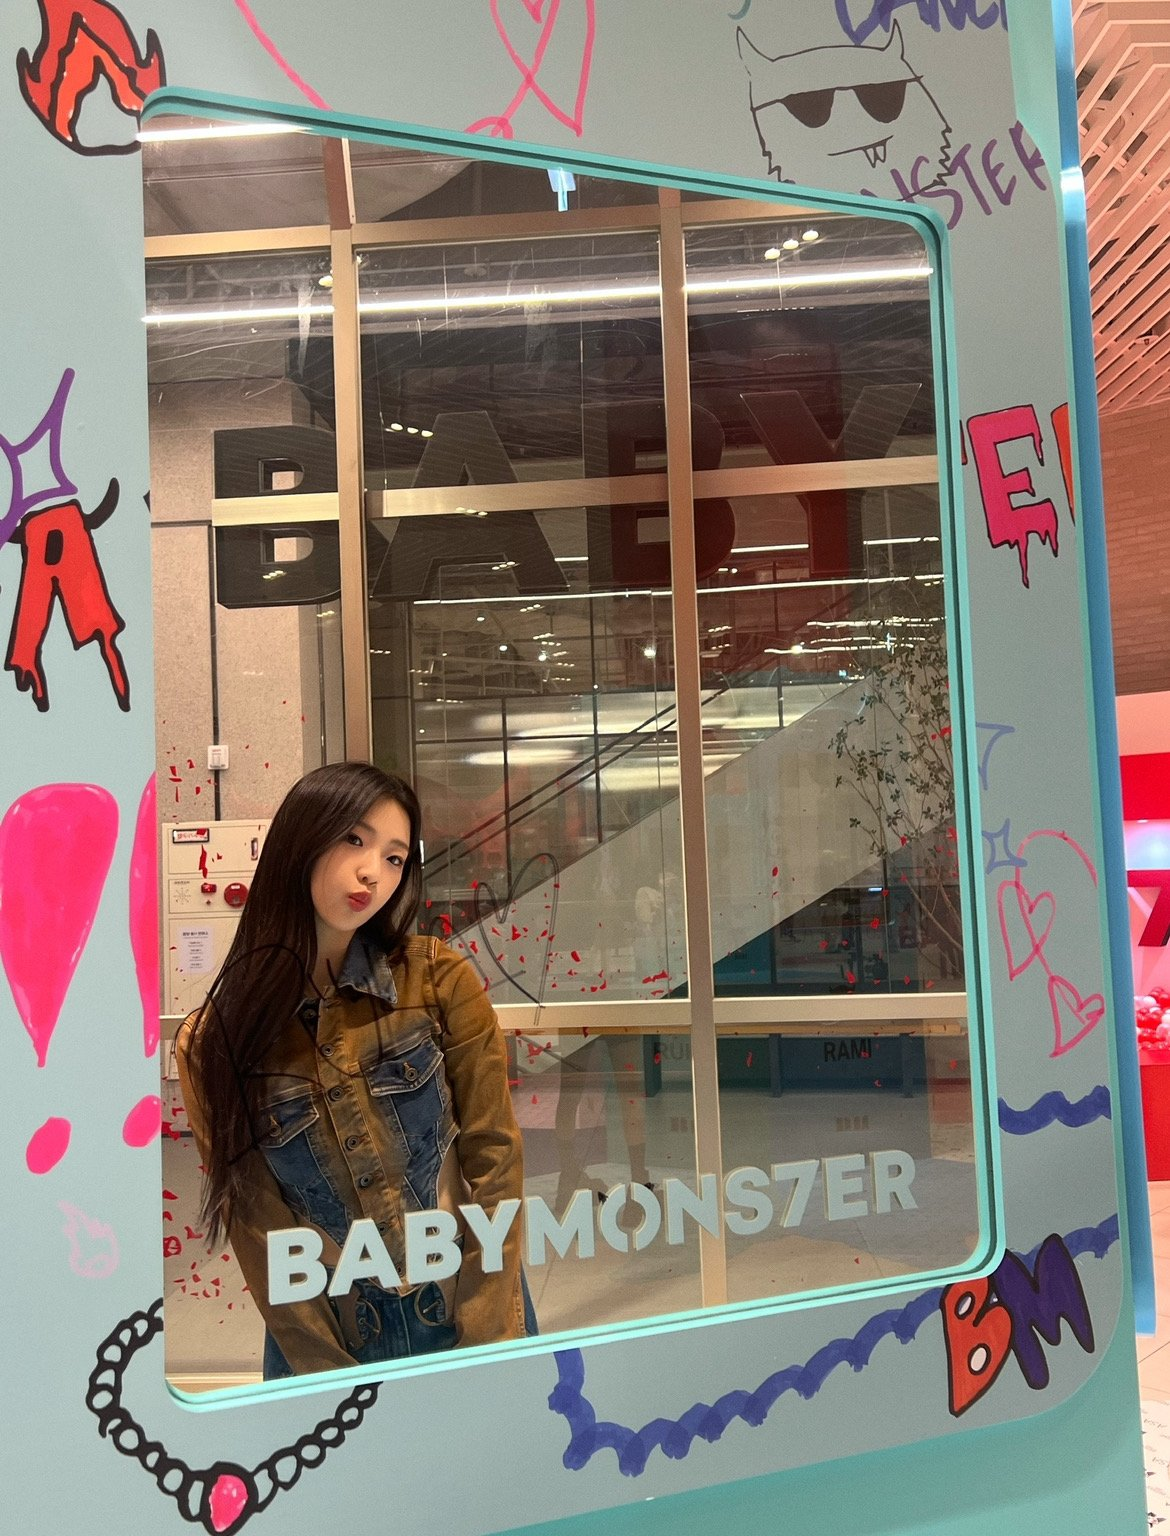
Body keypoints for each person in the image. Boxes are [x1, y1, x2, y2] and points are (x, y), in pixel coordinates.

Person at [176, 761, 534, 1379]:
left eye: (395, 858)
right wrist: (323, 1371)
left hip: (462, 1303)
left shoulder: (436, 980)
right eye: (354, 839)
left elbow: (495, 1160)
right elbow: (258, 1224)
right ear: (301, 841)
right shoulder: (216, 1040)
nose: (373, 872)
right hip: (331, 1330)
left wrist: (487, 1338)